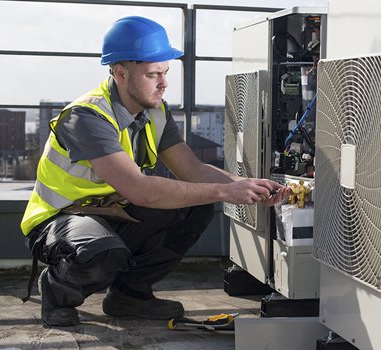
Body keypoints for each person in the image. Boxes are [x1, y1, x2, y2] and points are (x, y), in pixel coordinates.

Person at [20, 16, 290, 327]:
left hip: (112, 214)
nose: (163, 83)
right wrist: (226, 191)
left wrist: (249, 186)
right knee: (103, 253)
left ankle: (129, 294)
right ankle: (58, 290)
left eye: (165, 73)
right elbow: (140, 190)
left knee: (196, 205)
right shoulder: (87, 117)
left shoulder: (156, 112)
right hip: (61, 220)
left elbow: (193, 169)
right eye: (153, 74)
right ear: (120, 73)